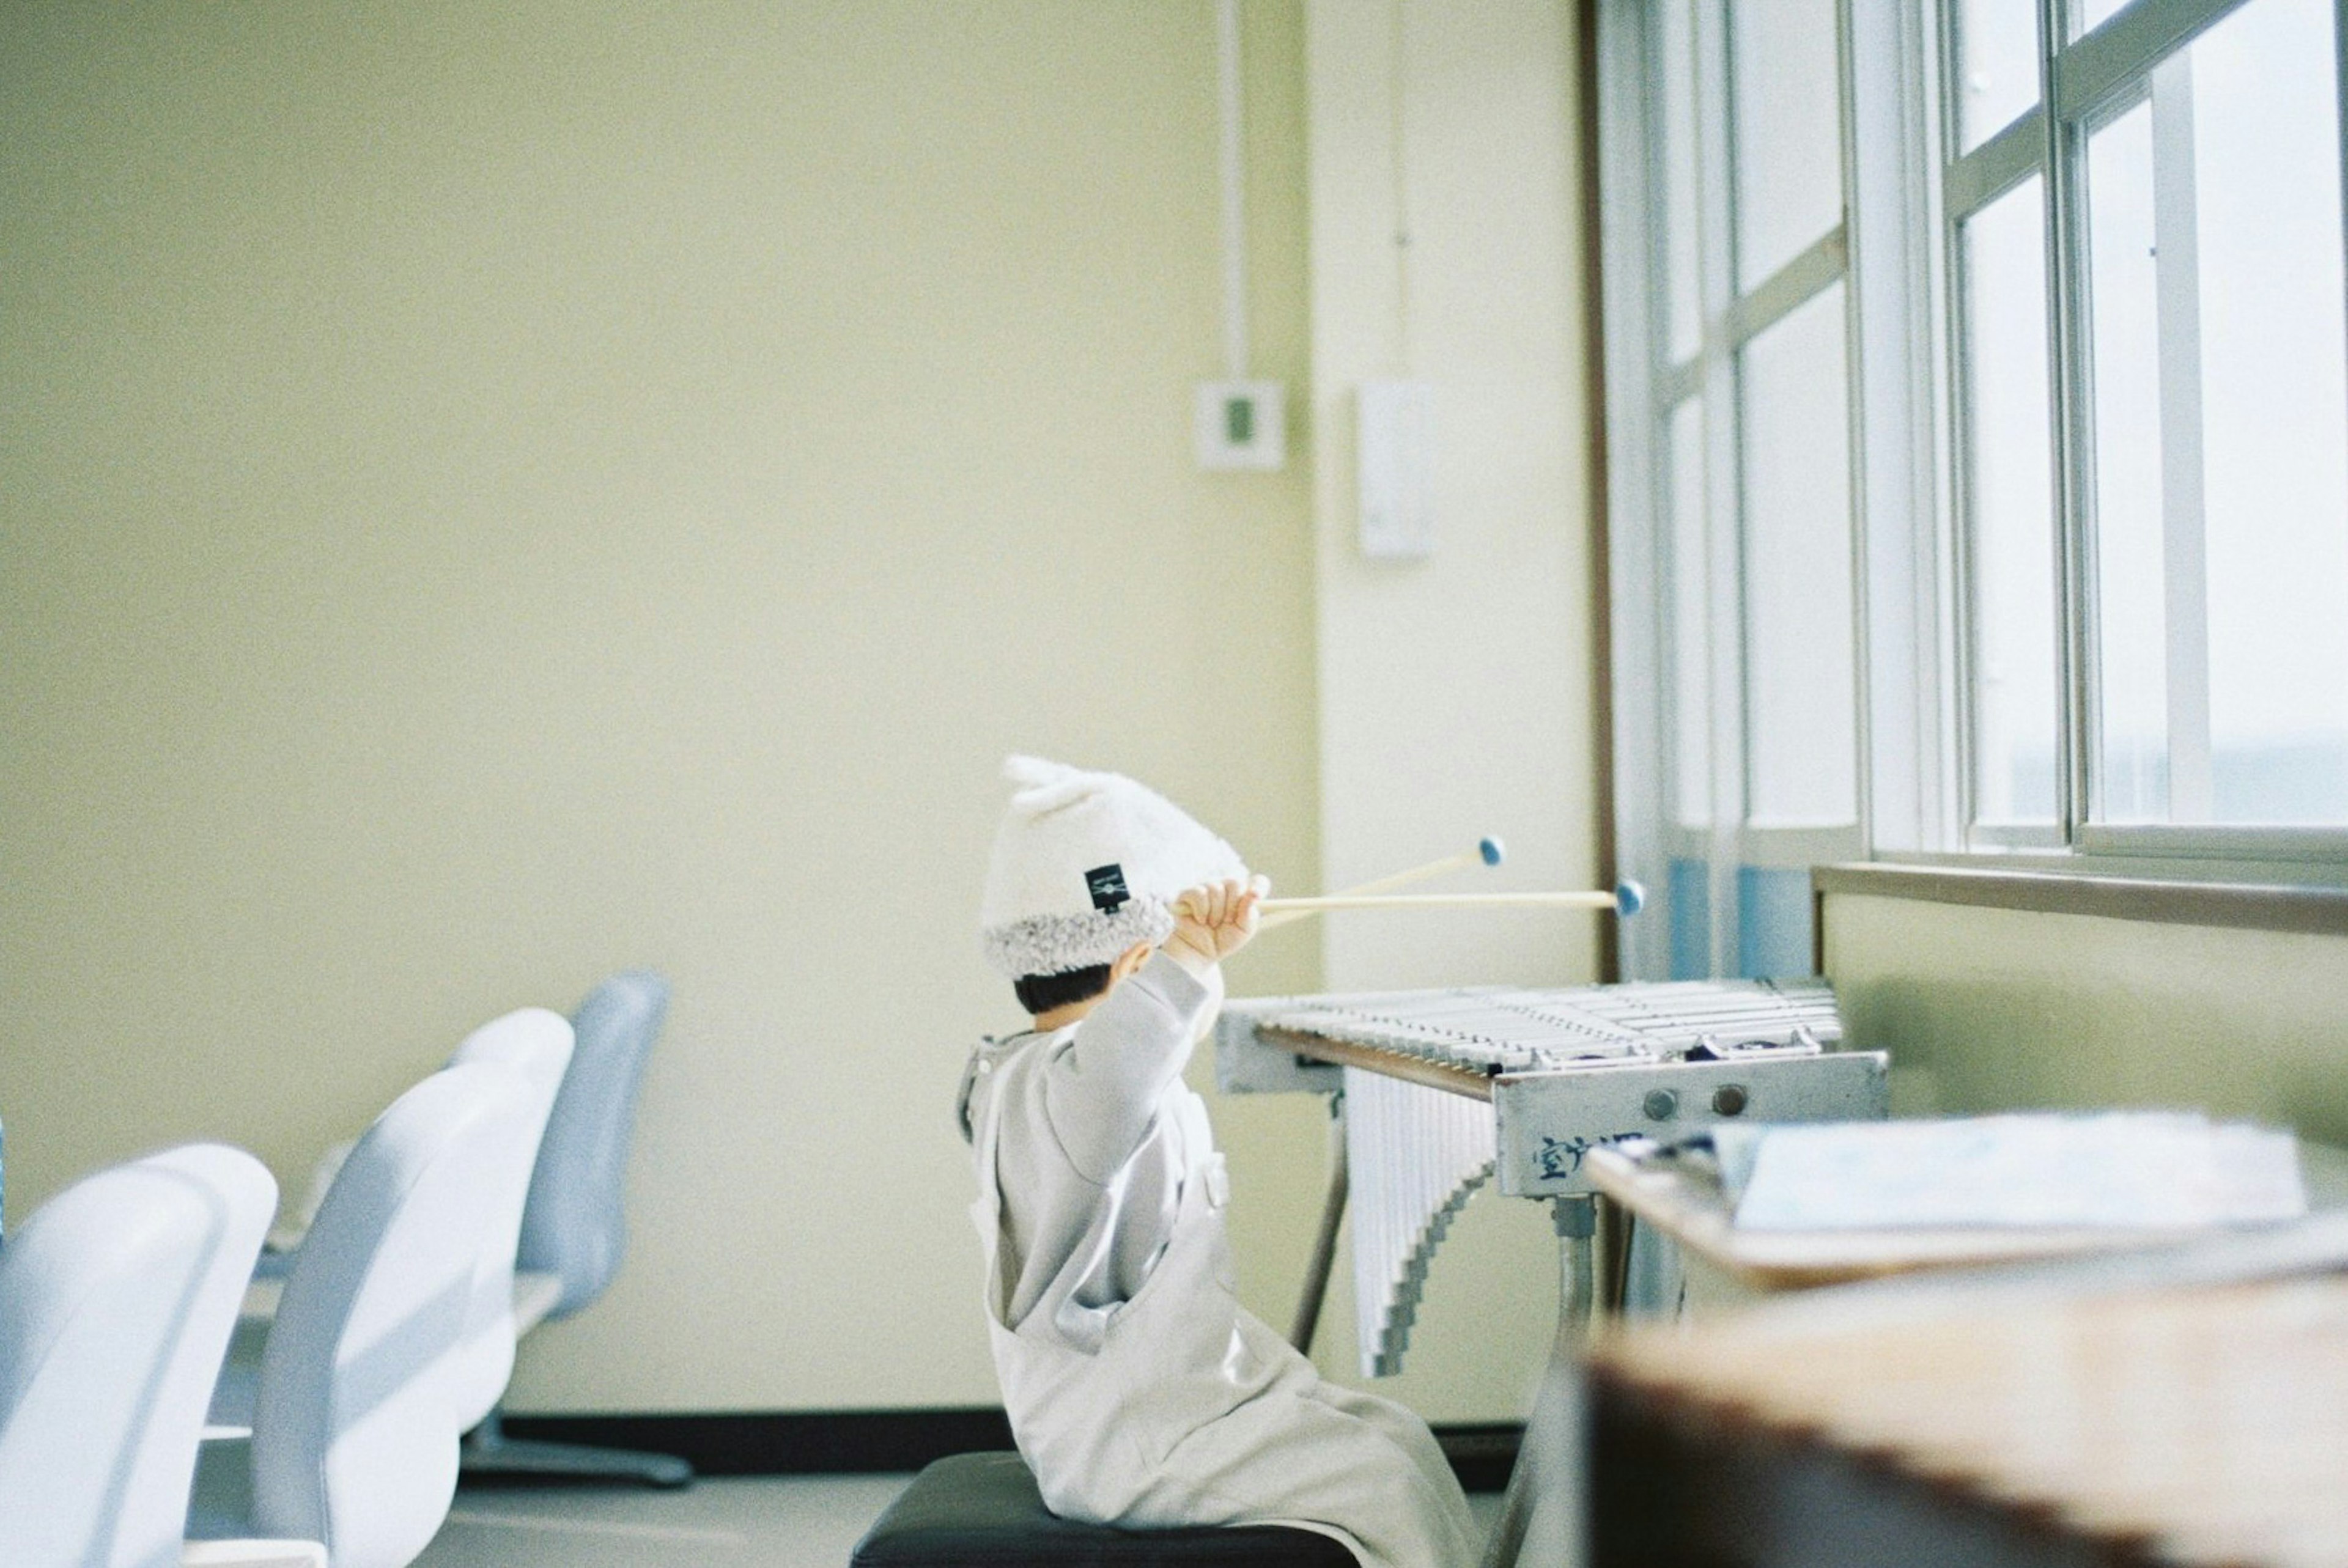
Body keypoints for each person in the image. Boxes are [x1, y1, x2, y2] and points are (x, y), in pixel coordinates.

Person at [958, 755, 1481, 1568]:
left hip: (1177, 1403)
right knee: (1383, 1484)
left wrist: (1178, 960)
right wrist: (1187, 962)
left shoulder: (1024, 1073)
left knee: (1395, 1437)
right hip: (1135, 1441)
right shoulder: (1069, 1091)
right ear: (1139, 968)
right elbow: (1119, 1069)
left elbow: (1125, 1066)